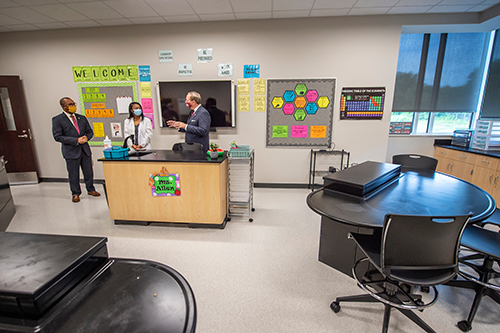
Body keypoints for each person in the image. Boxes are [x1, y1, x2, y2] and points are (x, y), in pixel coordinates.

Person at [52, 97, 100, 203]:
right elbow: (58, 136)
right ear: (64, 107)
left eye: (74, 103)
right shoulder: (58, 119)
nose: (73, 106)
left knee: (88, 171)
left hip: (85, 150)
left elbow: (90, 131)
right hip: (71, 151)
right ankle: (75, 193)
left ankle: (91, 189)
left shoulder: (81, 118)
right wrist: (76, 140)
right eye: (70, 104)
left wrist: (87, 138)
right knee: (73, 173)